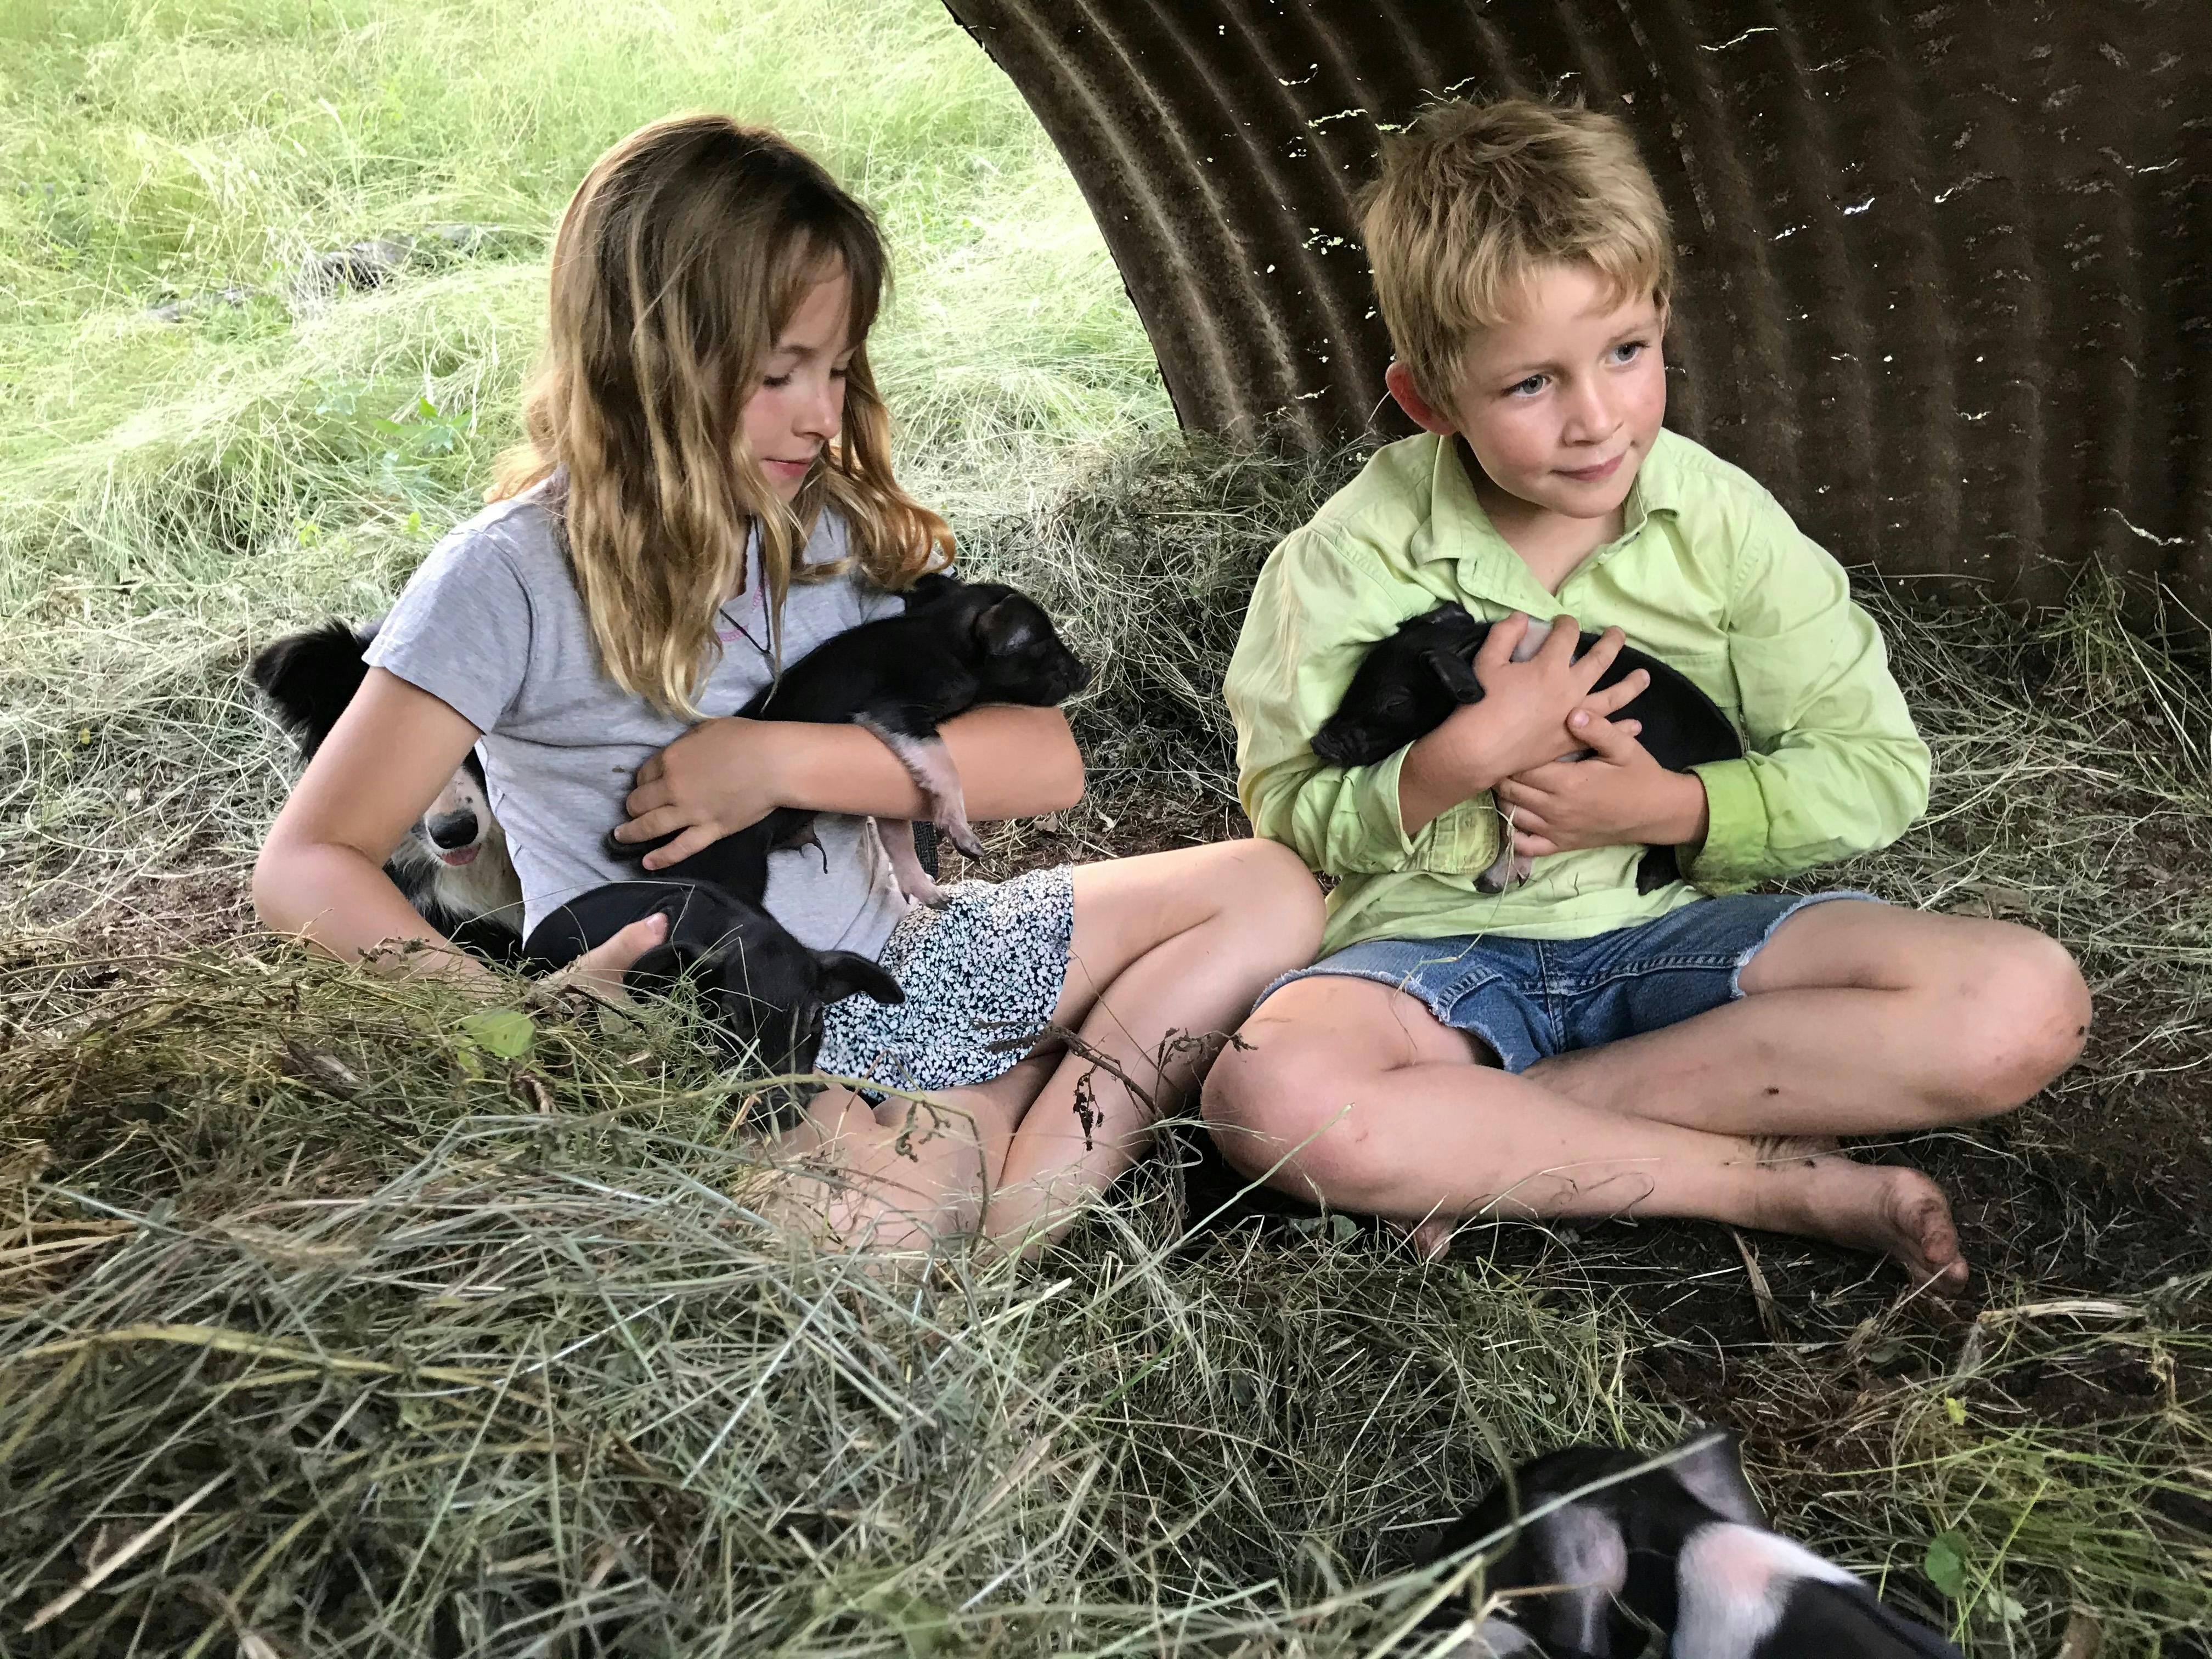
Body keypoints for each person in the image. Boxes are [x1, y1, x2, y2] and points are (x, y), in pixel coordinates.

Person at [253, 115, 1321, 1256]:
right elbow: (308, 860)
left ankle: (1024, 1194)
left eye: (838, 369)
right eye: (778, 374)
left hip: (907, 961)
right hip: (726, 1038)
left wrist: (774, 764)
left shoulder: (831, 529)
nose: (821, 411)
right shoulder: (506, 578)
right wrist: (513, 1032)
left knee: (1267, 887)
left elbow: (1046, 764)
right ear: (646, 360)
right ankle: (1020, 1132)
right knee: (856, 1238)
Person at [1202, 99, 2089, 1294]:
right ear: (1429, 401)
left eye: (1625, 352)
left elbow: (1877, 769)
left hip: (1676, 943)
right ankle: (1762, 1179)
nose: (1597, 417)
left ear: (1663, 321)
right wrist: (1455, 761)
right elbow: (1286, 811)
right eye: (1530, 383)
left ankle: (1486, 1142)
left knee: (2025, 1001)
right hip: (1426, 967)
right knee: (1266, 1095)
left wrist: (1664, 809)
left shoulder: (1720, 524)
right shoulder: (1346, 558)